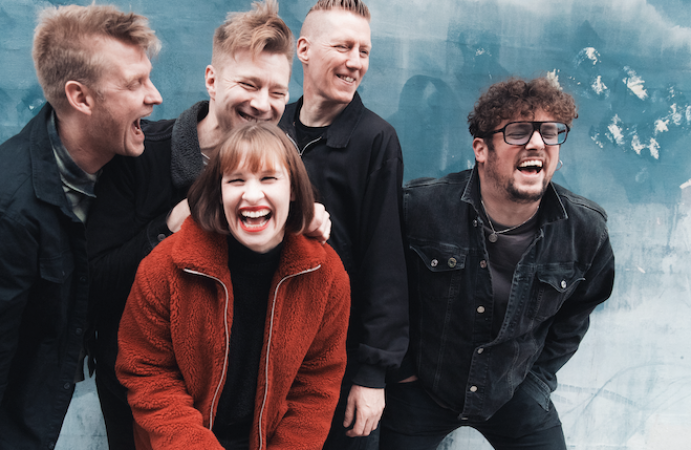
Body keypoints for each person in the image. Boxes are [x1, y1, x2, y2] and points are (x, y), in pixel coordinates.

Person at [85, 2, 329, 448]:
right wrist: (165, 226)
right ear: (212, 81)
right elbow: (93, 279)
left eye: (277, 92)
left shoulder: (290, 170)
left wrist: (300, 219)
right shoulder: (141, 157)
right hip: (147, 392)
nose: (262, 104)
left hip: (248, 401)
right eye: (249, 84)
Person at [0, 5, 161, 449]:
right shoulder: (3, 211)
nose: (154, 96)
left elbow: (196, 139)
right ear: (81, 97)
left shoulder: (119, 152)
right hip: (8, 420)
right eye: (135, 83)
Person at [380, 77, 616, 450]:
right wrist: (401, 374)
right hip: (422, 389)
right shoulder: (419, 210)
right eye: (518, 132)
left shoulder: (585, 232)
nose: (537, 143)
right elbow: (382, 295)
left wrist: (537, 381)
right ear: (481, 149)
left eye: (550, 132)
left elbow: (577, 313)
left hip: (511, 391)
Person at [115, 122, 350, 450]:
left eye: (268, 178)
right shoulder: (164, 267)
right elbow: (148, 373)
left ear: (294, 189)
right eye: (236, 180)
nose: (252, 195)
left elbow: (316, 387)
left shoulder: (326, 275)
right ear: (219, 191)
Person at [277, 1, 408, 447]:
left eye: (364, 51)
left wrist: (372, 376)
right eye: (343, 47)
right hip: (267, 352)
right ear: (304, 49)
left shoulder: (376, 139)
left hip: (338, 362)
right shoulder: (271, 127)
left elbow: (385, 261)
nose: (355, 62)